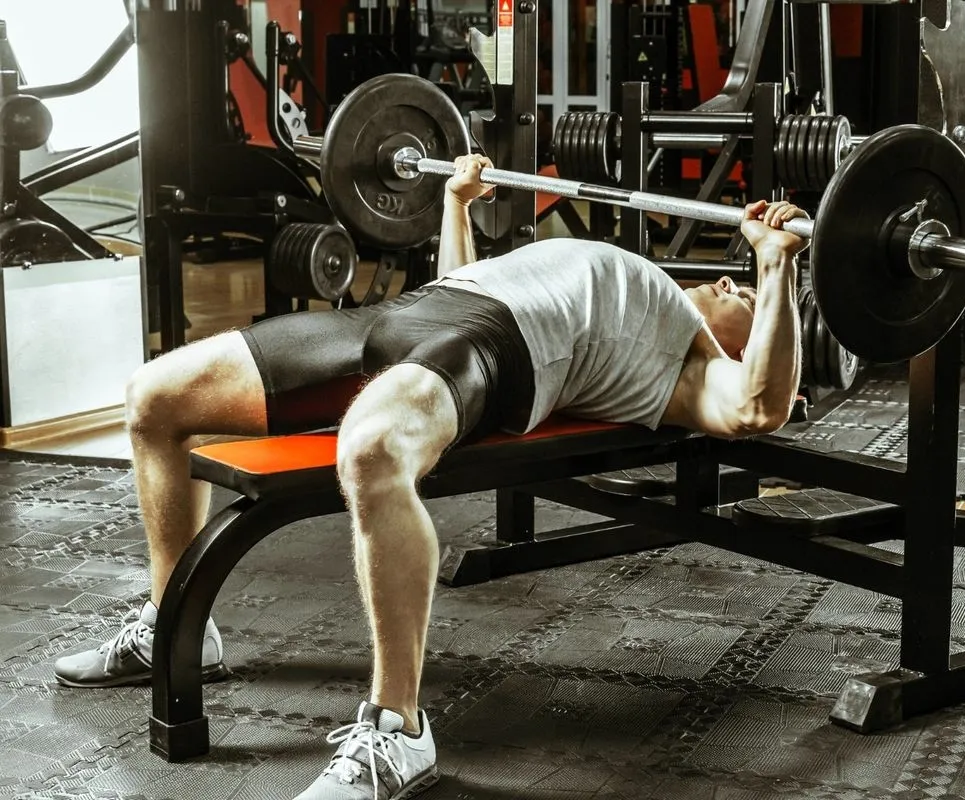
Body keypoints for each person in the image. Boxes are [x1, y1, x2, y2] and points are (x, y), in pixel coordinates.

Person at [51, 155, 808, 800]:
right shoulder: (645, 284)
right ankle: (171, 630)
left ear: (751, 341)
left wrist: (775, 266)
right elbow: (463, 279)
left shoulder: (690, 365)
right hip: (416, 311)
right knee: (154, 398)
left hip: (494, 345)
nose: (730, 282)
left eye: (745, 296)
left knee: (372, 452)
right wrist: (456, 203)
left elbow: (760, 406)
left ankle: (398, 729)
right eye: (738, 280)